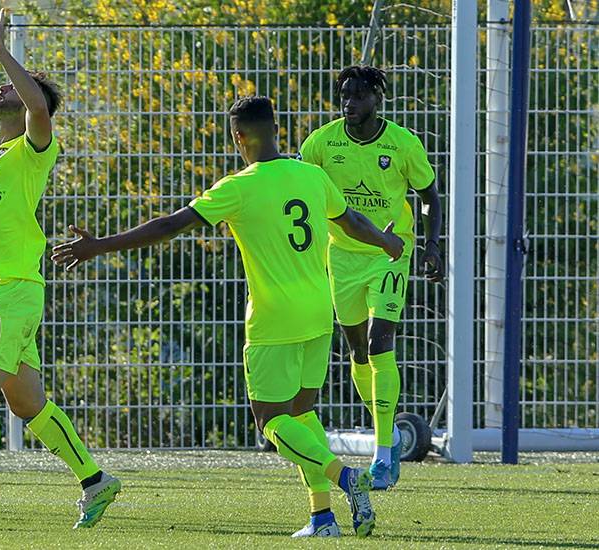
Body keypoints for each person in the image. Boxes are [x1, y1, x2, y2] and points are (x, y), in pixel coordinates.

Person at [52, 96, 405, 538]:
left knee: (272, 423)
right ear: (276, 129)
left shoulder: (238, 186)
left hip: (274, 320)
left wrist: (98, 245)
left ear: (238, 137)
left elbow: (168, 225)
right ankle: (322, 518)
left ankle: (347, 478)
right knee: (302, 415)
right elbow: (351, 220)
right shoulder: (312, 176)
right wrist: (385, 244)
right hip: (319, 312)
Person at [0, 9, 120, 530]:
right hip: (1, 289)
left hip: (9, 290)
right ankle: (95, 480)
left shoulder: (36, 148)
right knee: (27, 402)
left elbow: (36, 104)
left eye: (16, 87)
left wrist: (0, 50)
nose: (5, 91)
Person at [298, 65, 443, 490]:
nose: (350, 103)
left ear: (377, 100)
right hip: (341, 256)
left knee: (381, 346)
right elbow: (302, 193)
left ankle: (383, 453)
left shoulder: (402, 143)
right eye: (345, 95)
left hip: (390, 252)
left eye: (359, 96)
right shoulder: (322, 143)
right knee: (358, 354)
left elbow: (429, 195)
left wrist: (432, 245)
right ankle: (392, 435)